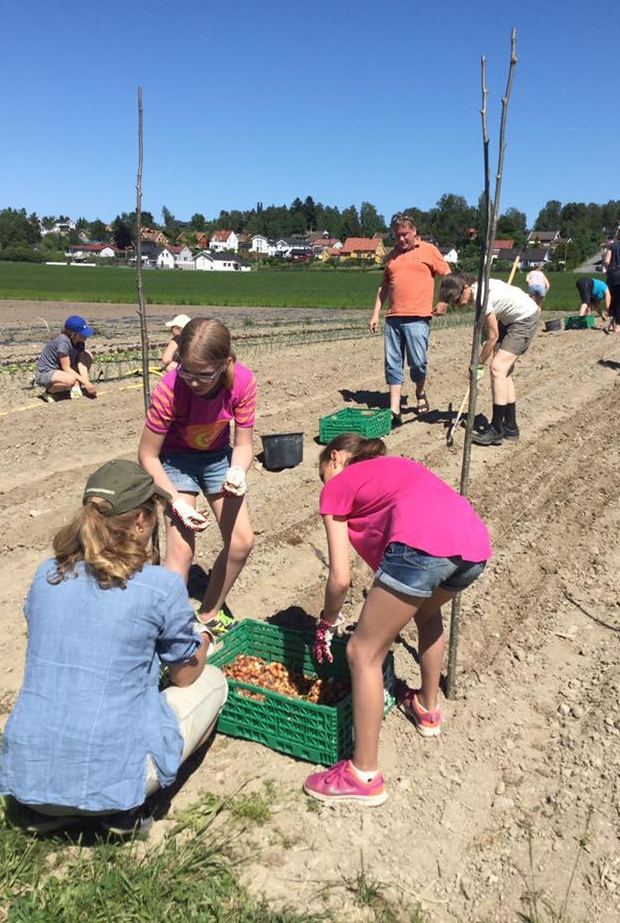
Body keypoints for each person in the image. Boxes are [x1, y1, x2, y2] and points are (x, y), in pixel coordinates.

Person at [0, 459, 227, 837]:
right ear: (140, 521)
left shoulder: (47, 575)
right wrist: (202, 638)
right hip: (113, 779)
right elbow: (184, 675)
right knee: (213, 683)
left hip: (29, 775)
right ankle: (127, 809)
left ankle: (46, 810)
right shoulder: (160, 587)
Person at [303, 434, 491, 806]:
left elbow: (341, 578)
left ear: (335, 458)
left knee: (362, 652)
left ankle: (363, 775)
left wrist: (327, 623)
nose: (324, 480)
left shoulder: (338, 484)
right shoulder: (395, 467)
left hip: (421, 547)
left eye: (322, 470)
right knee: (427, 612)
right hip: (474, 547)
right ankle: (427, 707)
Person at [138, 318, 257, 635]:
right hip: (175, 462)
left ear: (226, 363)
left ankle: (208, 614)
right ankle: (169, 630)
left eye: (203, 374)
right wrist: (175, 501)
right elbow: (147, 455)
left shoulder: (242, 383)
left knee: (241, 542)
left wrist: (237, 470)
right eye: (185, 370)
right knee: (181, 552)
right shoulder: (169, 389)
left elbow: (244, 445)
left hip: (218, 458)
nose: (192, 381)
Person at [434, 272, 541, 446]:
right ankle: (511, 427)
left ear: (466, 287)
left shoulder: (480, 297)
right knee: (504, 373)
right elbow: (488, 328)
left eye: (457, 299)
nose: (458, 304)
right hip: (510, 320)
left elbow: (492, 336)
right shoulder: (476, 290)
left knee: (497, 368)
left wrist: (479, 365)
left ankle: (496, 430)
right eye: (452, 302)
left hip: (524, 320)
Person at [369, 213, 451, 426]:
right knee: (392, 363)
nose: (402, 239)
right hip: (393, 318)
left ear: (414, 232)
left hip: (418, 318)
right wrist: (375, 314)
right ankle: (394, 409)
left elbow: (448, 276)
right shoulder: (392, 256)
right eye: (397, 236)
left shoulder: (429, 251)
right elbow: (384, 286)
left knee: (418, 363)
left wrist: (444, 302)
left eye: (405, 234)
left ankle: (420, 392)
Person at [34, 315, 97, 398]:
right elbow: (66, 368)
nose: (85, 336)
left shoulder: (80, 342)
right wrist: (86, 383)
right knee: (69, 380)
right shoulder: (63, 342)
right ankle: (48, 392)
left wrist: (86, 382)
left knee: (87, 355)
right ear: (73, 333)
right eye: (81, 334)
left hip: (61, 370)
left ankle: (76, 385)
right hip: (47, 372)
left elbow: (81, 363)